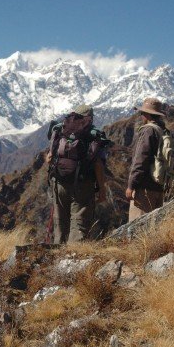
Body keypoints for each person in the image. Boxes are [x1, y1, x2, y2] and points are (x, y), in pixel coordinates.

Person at [47, 104, 108, 244]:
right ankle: (72, 258)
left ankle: (56, 256)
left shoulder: (62, 130)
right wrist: (102, 189)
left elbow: (49, 158)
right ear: (90, 118)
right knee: (79, 223)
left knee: (60, 222)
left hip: (59, 182)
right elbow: (98, 164)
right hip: (82, 184)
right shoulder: (93, 134)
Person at [126, 98, 166, 222]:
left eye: (142, 113)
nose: (141, 115)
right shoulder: (163, 130)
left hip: (144, 188)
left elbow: (141, 160)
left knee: (138, 228)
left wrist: (131, 185)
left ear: (148, 114)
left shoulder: (148, 130)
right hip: (159, 186)